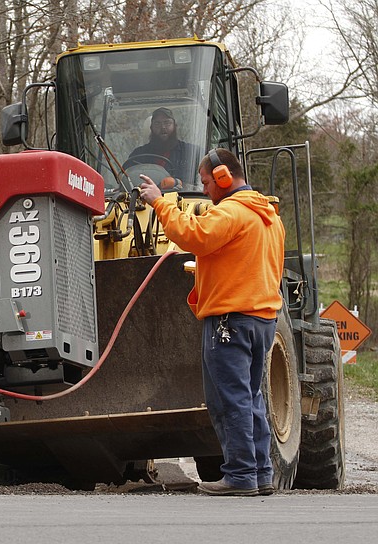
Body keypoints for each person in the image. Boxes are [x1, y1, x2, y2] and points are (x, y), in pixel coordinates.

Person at [138, 148, 285, 497]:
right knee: (251, 397)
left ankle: (239, 476)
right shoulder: (269, 216)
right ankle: (261, 473)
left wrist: (161, 203)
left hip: (230, 320)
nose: (205, 190)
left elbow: (193, 238)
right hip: (262, 319)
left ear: (222, 177)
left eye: (206, 182)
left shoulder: (232, 213)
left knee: (228, 400)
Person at [124, 107, 200, 186]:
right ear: (151, 128)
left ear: (175, 126)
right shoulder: (138, 155)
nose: (163, 127)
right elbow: (127, 182)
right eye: (157, 123)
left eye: (167, 123)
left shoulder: (191, 153)